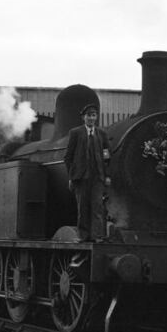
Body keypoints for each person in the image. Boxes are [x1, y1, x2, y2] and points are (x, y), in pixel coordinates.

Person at [64, 103, 111, 242]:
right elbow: (68, 157)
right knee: (82, 208)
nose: (91, 118)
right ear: (83, 117)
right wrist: (71, 176)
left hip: (97, 178)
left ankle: (96, 236)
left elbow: (107, 157)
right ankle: (83, 236)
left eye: (93, 115)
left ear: (96, 117)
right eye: (88, 115)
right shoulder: (75, 133)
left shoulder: (101, 134)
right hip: (81, 178)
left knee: (97, 208)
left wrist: (107, 175)